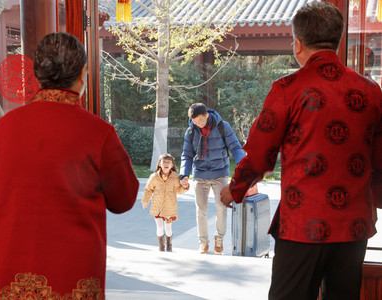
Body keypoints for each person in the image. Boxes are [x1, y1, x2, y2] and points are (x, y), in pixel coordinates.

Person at [220, 2, 382, 299]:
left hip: (302, 224)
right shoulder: (370, 91)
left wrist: (236, 188)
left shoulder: (288, 88)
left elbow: (260, 152)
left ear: (297, 44)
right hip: (354, 225)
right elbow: (379, 159)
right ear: (338, 40)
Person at [0, 32, 139, 299]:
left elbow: (2, 191)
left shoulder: (5, 128)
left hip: (11, 273)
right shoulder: (98, 133)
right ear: (82, 74)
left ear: (37, 74)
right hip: (71, 276)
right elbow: (123, 199)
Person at [180, 103, 245, 254]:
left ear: (207, 116)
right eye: (194, 122)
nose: (198, 125)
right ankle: (203, 242)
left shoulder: (223, 126)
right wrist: (184, 175)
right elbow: (187, 155)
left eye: (200, 121)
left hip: (220, 171)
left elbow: (235, 147)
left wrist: (242, 163)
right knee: (201, 209)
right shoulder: (191, 132)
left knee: (221, 205)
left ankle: (219, 237)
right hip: (199, 172)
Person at [142, 153, 189, 252]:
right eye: (164, 162)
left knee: (168, 228)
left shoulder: (175, 177)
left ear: (172, 165)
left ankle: (169, 246)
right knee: (159, 226)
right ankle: (161, 247)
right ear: (159, 164)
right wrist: (145, 200)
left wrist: (184, 187)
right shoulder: (154, 177)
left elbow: (178, 190)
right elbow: (148, 189)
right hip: (157, 207)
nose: (166, 164)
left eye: (169, 162)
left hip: (169, 207)